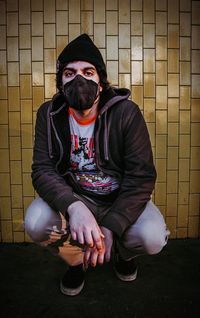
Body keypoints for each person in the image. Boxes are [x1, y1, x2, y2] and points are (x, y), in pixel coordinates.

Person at [25, 34, 170, 296]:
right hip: (77, 196)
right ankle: (77, 260)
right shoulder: (48, 114)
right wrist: (74, 207)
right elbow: (42, 169)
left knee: (152, 236)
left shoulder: (127, 113)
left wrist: (112, 226)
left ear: (101, 83)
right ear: (61, 83)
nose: (79, 79)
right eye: (69, 73)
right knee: (36, 222)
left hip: (118, 198)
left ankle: (121, 256)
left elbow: (142, 177)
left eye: (88, 72)